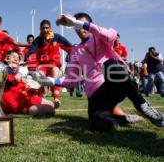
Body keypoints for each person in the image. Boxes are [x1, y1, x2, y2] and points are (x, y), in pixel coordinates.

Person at [34, 12, 164, 131]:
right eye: (76, 27)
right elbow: (71, 80)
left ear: (91, 25)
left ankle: (142, 106)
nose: (80, 29)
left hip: (115, 84)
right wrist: (48, 80)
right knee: (98, 122)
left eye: (82, 25)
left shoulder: (101, 37)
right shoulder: (75, 51)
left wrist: (78, 23)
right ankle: (123, 118)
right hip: (96, 95)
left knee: (111, 65)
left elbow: (111, 34)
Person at [24, 19, 72, 108]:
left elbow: (69, 46)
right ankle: (41, 95)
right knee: (39, 75)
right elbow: (31, 52)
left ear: (50, 28)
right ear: (40, 29)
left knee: (55, 73)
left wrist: (75, 53)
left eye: (47, 28)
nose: (45, 30)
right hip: (42, 65)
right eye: (43, 28)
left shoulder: (57, 37)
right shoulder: (37, 41)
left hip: (54, 64)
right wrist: (26, 59)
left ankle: (56, 98)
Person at [0, 50, 54, 116]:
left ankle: (30, 110)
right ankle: (29, 110)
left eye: (18, 58)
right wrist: (15, 79)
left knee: (51, 104)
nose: (16, 59)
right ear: (6, 59)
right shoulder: (2, 70)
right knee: (49, 108)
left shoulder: (18, 73)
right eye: (13, 57)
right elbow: (3, 83)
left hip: (24, 100)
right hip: (16, 104)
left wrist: (29, 88)